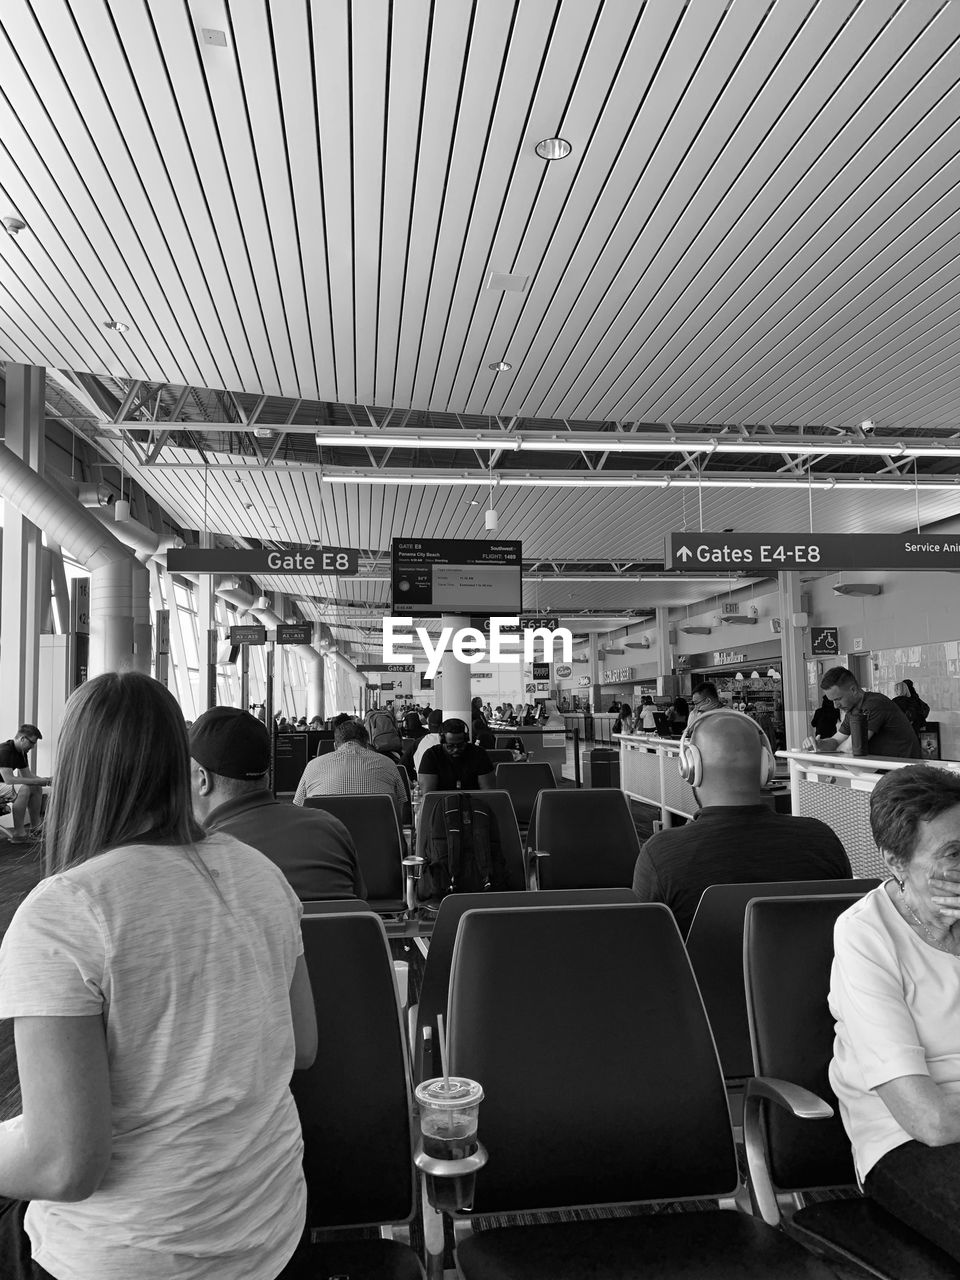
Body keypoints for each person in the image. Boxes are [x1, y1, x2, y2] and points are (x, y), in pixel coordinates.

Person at [0, 673, 317, 1280]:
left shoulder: (64, 910)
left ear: (76, 771)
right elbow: (302, 1048)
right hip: (272, 1233)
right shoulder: (261, 875)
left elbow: (63, 1164)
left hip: (128, 1257)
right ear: (181, 764)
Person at [829, 765, 960, 1264]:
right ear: (895, 863)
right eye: (952, 853)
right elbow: (928, 1119)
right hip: (907, 1144)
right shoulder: (866, 936)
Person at [632, 709, 851, 937]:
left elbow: (645, 953)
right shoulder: (822, 841)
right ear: (766, 766)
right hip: (809, 973)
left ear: (689, 768)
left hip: (702, 974)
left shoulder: (661, 857)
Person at [189, 706, 366, 901]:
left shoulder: (196, 861)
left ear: (203, 780)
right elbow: (359, 904)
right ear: (267, 776)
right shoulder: (331, 829)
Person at [292, 719, 408, 822]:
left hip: (325, 843)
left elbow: (298, 808)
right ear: (366, 744)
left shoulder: (313, 766)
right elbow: (400, 810)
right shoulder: (388, 764)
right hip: (378, 842)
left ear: (334, 746)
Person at [802, 666, 921, 759]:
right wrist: (819, 745)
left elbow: (851, 748)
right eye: (832, 701)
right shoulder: (853, 710)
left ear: (853, 690)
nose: (835, 706)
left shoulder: (874, 704)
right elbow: (837, 740)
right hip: (887, 772)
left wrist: (828, 751)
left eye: (838, 699)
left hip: (905, 773)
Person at [0, 725, 51, 843]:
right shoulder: (5, 751)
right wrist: (41, 781)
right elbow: (9, 780)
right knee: (24, 789)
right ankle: (19, 834)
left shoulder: (21, 753)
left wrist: (47, 780)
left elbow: (27, 776)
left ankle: (36, 829)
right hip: (3, 782)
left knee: (35, 787)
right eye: (32, 743)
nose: (32, 747)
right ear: (22, 739)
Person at [418, 719, 495, 793]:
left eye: (460, 745)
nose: (456, 749)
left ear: (466, 739)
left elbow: (488, 792)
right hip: (440, 804)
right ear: (442, 741)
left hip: (475, 804)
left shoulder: (479, 754)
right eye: (450, 746)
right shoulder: (431, 755)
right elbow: (428, 794)